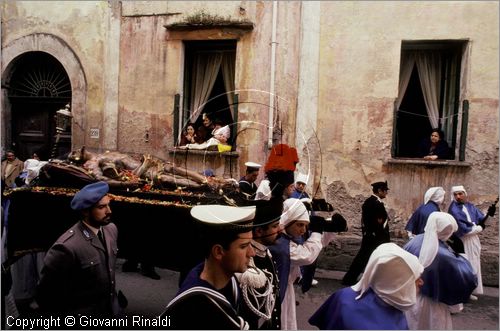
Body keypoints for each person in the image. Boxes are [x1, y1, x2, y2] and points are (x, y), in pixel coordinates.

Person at [35, 181, 125, 318]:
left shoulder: (111, 230)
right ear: (85, 211)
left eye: (109, 205)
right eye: (101, 207)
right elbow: (46, 296)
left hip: (111, 312)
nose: (109, 211)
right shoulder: (66, 247)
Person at [161, 204, 256, 329]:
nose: (252, 253)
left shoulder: (212, 278)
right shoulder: (200, 303)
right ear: (218, 252)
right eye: (243, 246)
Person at [309, 243, 424, 330]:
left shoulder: (343, 296)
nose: (421, 282)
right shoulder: (390, 324)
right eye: (415, 278)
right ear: (397, 282)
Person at [269, 198, 336, 330]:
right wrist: (317, 231)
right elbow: (307, 256)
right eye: (300, 225)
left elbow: (315, 246)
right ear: (287, 222)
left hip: (286, 288)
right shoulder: (280, 244)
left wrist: (328, 229)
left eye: (306, 226)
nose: (304, 230)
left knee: (287, 322)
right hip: (278, 291)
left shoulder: (289, 237)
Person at [403, 211, 477, 330]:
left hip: (411, 300)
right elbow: (463, 279)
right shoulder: (444, 256)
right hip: (434, 306)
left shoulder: (413, 242)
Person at [239, 198, 283, 329]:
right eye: (275, 226)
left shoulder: (265, 252)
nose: (280, 229)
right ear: (259, 231)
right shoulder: (247, 262)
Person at [448, 185, 496, 300]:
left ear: (465, 194)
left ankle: (468, 291)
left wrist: (490, 214)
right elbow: (463, 230)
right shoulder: (453, 209)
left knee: (473, 265)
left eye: (460, 193)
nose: (458, 196)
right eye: (455, 194)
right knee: (464, 266)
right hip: (463, 241)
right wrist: (478, 229)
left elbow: (483, 221)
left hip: (473, 241)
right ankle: (460, 292)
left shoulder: (470, 206)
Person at [342, 181, 391, 286]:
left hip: (372, 236)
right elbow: (376, 223)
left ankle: (351, 278)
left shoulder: (371, 201)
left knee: (364, 258)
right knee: (363, 259)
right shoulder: (374, 203)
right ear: (379, 191)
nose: (386, 193)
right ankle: (349, 279)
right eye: (385, 190)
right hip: (375, 238)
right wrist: (380, 237)